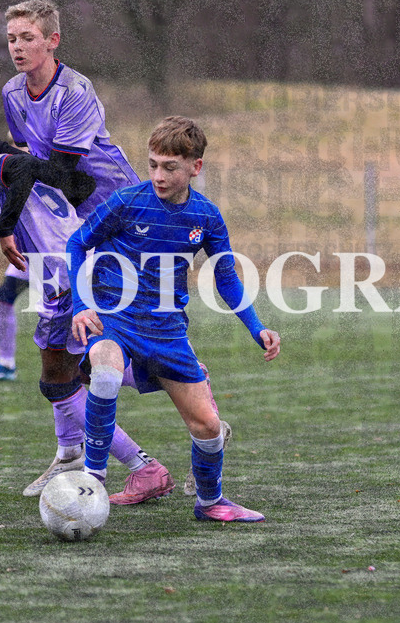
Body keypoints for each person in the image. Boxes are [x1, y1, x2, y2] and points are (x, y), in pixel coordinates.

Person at [0, 0, 232, 498]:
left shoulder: (76, 91)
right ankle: (87, 460)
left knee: (103, 346)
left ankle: (181, 403)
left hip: (116, 224)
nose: (18, 48)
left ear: (53, 41)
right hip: (66, 230)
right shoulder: (12, 93)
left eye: (28, 37)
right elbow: (30, 162)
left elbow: (66, 174)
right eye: (11, 39)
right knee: (69, 357)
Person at [0, 115, 175, 502]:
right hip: (82, 267)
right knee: (84, 367)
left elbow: (16, 164)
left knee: (58, 380)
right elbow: (16, 160)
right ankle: (168, 379)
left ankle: (145, 468)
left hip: (66, 278)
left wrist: (5, 228)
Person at [67, 116, 281, 522]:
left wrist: (257, 327)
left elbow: (226, 277)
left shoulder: (206, 216)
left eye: (170, 167)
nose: (158, 175)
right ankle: (91, 481)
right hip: (114, 318)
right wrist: (82, 305)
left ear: (195, 168)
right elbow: (78, 243)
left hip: (167, 331)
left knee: (208, 427)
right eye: (152, 164)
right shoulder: (127, 202)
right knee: (106, 373)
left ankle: (210, 502)